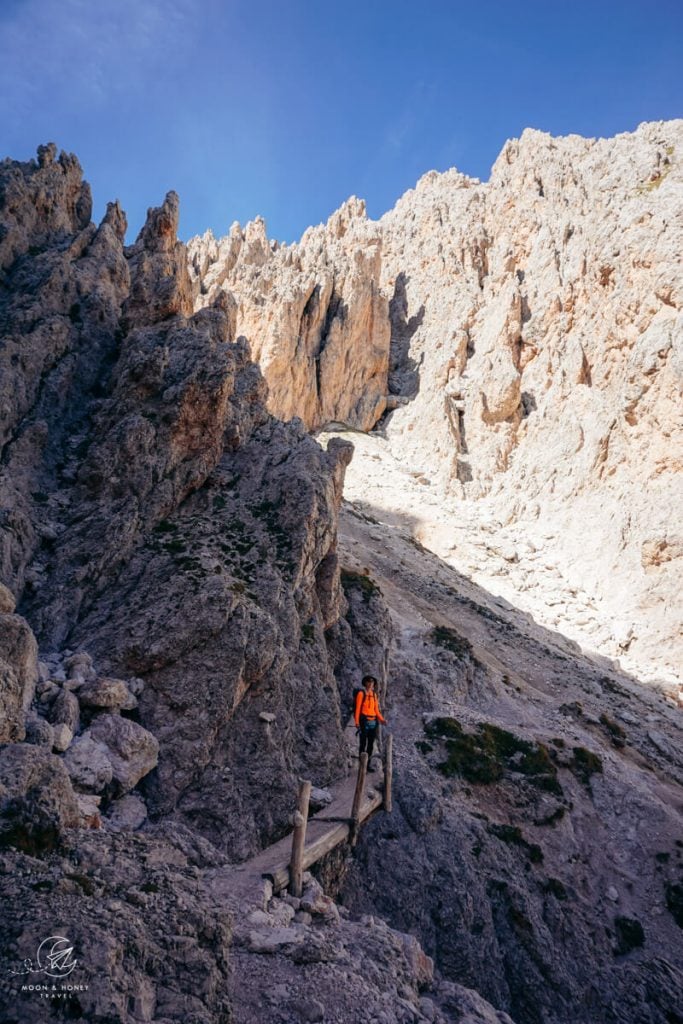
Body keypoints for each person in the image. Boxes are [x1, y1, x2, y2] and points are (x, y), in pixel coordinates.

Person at [354, 675, 386, 771]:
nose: (371, 683)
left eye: (372, 682)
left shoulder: (374, 695)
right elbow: (358, 709)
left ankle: (366, 766)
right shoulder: (361, 693)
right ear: (365, 683)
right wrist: (356, 722)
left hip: (373, 721)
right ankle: (362, 766)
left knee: (371, 744)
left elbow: (376, 710)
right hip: (364, 721)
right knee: (363, 743)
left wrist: (381, 719)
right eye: (369, 681)